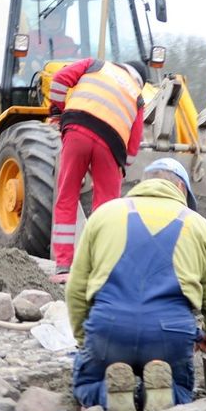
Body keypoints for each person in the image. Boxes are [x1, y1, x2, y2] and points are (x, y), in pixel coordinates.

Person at [66, 157, 206, 411]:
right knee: (180, 386)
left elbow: (76, 289)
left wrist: (83, 340)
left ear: (145, 183)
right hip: (169, 335)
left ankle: (106, 396)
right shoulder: (200, 226)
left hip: (110, 328)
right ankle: (164, 395)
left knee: (87, 383)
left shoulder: (104, 215)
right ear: (181, 190)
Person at [48, 57, 147, 278]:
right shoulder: (138, 97)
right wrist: (117, 165)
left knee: (66, 197)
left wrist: (60, 111)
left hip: (76, 128)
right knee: (107, 210)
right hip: (111, 144)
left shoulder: (96, 64)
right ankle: (99, 267)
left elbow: (58, 80)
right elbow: (132, 149)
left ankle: (63, 265)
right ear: (139, 81)